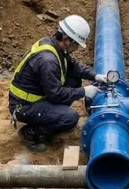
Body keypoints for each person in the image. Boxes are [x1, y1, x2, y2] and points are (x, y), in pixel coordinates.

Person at [9, 15, 107, 152]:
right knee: (70, 118)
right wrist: (83, 92)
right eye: (77, 44)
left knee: (74, 79)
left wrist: (96, 76)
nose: (77, 48)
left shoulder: (55, 46)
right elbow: (56, 94)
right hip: (24, 107)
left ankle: (53, 115)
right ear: (67, 40)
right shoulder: (47, 60)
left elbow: (75, 67)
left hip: (37, 96)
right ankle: (29, 133)